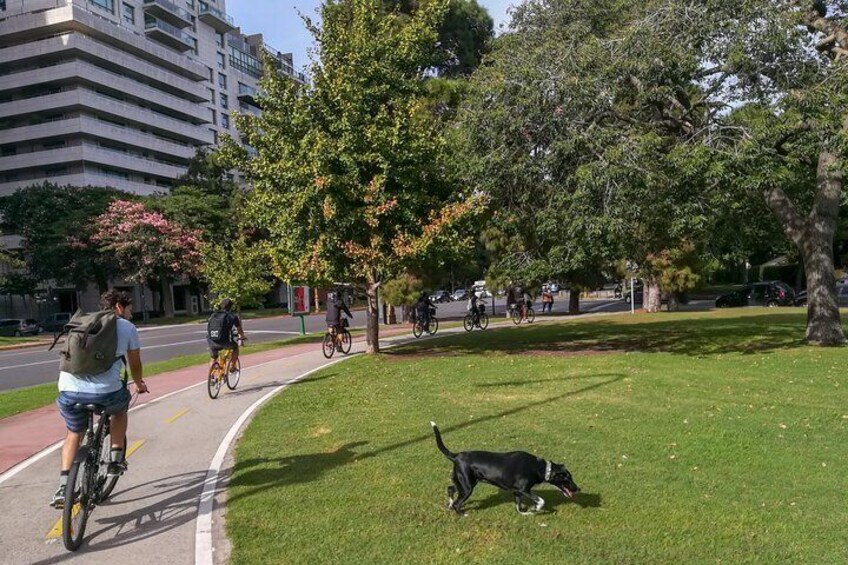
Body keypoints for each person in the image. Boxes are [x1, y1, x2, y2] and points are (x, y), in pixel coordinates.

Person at [51, 289, 147, 508]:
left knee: (74, 433)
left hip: (69, 389)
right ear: (119, 308)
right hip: (107, 393)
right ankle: (115, 460)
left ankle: (63, 487)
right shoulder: (126, 327)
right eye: (129, 308)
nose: (131, 313)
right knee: (120, 410)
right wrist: (139, 383)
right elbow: (135, 365)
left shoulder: (82, 322)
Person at [207, 298, 246, 372]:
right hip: (225, 342)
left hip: (212, 342)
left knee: (213, 358)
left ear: (221, 306)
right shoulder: (232, 316)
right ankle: (232, 366)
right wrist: (242, 336)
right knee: (235, 347)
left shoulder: (213, 315)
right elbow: (239, 329)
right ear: (230, 307)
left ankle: (211, 378)